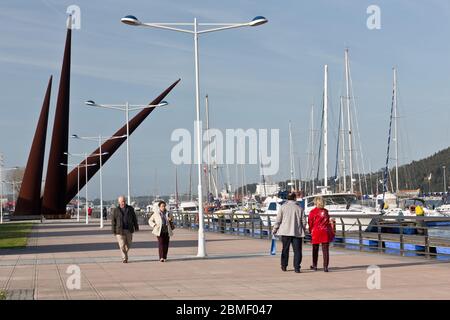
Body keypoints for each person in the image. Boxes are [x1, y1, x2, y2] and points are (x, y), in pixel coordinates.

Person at [272, 193, 307, 273]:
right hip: (296, 232)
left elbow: (278, 220)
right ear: (295, 198)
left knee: (285, 249)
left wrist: (275, 229)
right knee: (297, 251)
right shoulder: (299, 208)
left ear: (287, 198)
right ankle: (297, 267)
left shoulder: (283, 207)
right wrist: (304, 230)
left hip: (285, 232)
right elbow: (304, 221)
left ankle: (284, 266)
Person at [308, 196, 334, 272]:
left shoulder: (313, 212)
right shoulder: (325, 211)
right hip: (325, 231)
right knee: (325, 250)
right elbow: (327, 221)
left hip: (316, 231)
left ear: (316, 202)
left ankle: (315, 265)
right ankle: (325, 267)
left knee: (315, 249)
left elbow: (310, 222)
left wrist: (310, 231)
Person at [111, 196, 139, 263]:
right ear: (119, 202)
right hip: (119, 230)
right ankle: (124, 258)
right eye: (121, 201)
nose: (123, 203)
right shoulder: (116, 210)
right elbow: (113, 221)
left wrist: (136, 226)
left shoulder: (130, 208)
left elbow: (134, 218)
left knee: (129, 244)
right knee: (122, 245)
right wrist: (113, 230)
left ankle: (125, 254)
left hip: (128, 229)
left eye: (124, 201)